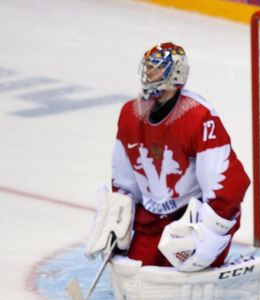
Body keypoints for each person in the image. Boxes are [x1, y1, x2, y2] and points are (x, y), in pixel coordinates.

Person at [87, 41, 250, 272]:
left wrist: (212, 232)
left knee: (184, 276)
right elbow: (124, 177)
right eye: (149, 66)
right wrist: (118, 218)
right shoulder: (130, 114)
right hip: (152, 221)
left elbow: (224, 180)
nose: (150, 72)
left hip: (190, 220)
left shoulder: (198, 116)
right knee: (136, 274)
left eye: (158, 67)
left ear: (176, 75)